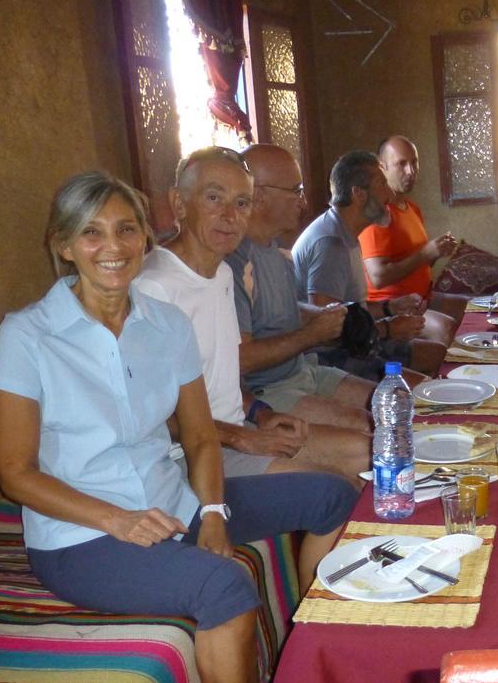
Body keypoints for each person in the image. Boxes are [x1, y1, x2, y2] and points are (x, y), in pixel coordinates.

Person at [0, 171, 359, 683]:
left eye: (126, 228)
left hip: (175, 498)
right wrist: (115, 520)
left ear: (145, 235)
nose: (113, 246)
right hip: (79, 537)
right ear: (63, 247)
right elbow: (16, 473)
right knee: (223, 586)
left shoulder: (163, 323)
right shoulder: (27, 336)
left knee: (333, 494)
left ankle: (309, 650)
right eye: (91, 232)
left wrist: (212, 511)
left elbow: (201, 436)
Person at [135, 146, 372, 482]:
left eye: (241, 203)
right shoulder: (154, 286)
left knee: (369, 453)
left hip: (236, 429)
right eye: (214, 198)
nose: (230, 216)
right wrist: (242, 437)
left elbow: (223, 376)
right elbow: (152, 415)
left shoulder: (220, 273)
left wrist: (260, 415)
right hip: (185, 456)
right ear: (178, 203)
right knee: (341, 480)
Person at [224, 144, 385, 413]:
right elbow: (239, 359)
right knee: (371, 433)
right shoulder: (233, 261)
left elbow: (281, 312)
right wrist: (310, 335)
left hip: (304, 370)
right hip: (267, 390)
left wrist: (329, 316)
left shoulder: (276, 250)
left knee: (398, 406)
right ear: (259, 195)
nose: (304, 202)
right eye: (296, 191)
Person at [292, 150, 446, 379]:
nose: (391, 193)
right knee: (420, 386)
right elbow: (325, 331)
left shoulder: (346, 233)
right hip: (327, 358)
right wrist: (389, 329)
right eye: (382, 183)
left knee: (436, 354)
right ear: (358, 194)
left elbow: (352, 312)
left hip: (352, 342)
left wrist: (390, 307)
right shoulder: (330, 244)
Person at [358, 136, 467, 344]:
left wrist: (436, 252)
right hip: (392, 307)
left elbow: (417, 263)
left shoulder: (411, 208)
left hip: (423, 298)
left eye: (414, 162)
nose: (411, 171)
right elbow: (378, 277)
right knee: (446, 329)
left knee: (471, 308)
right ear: (382, 167)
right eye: (402, 164)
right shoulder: (376, 214)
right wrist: (426, 253)